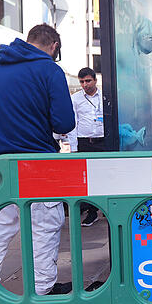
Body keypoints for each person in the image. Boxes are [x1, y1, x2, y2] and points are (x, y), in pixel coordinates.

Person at [0, 24, 75, 303]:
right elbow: (64, 122)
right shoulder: (49, 69)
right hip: (34, 162)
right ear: (54, 46)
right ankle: (43, 290)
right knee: (44, 224)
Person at [67, 67, 105, 226]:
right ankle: (91, 212)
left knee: (105, 176)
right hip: (85, 142)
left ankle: (106, 209)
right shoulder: (75, 99)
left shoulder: (105, 96)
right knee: (88, 179)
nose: (85, 84)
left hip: (103, 141)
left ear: (95, 80)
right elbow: (72, 123)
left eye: (88, 81)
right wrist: (74, 147)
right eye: (82, 81)